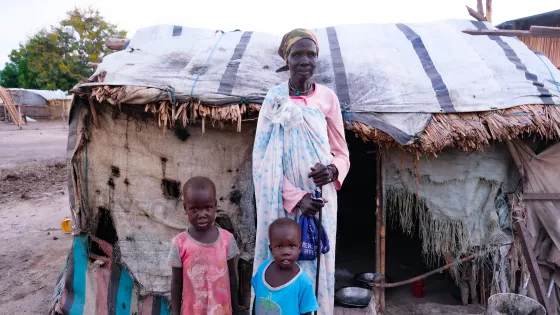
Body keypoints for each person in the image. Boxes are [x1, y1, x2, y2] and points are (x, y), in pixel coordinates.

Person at [252, 29, 350, 314]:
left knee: (317, 263)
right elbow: (263, 160)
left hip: (321, 201)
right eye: (297, 54)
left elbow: (342, 153)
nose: (305, 60)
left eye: (311, 54)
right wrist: (296, 197)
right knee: (284, 256)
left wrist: (333, 170)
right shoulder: (274, 98)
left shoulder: (328, 98)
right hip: (282, 200)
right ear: (287, 58)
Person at [167, 176, 239, 315]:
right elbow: (176, 283)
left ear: (215, 206)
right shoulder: (180, 243)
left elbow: (232, 276)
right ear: (185, 208)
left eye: (207, 207)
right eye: (194, 209)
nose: (202, 214)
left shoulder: (227, 239)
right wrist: (175, 312)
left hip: (222, 310)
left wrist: (235, 309)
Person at [252, 218, 318, 315]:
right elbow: (257, 298)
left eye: (291, 246)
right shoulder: (262, 270)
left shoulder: (303, 282)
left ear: (299, 248)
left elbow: (307, 312)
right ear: (271, 249)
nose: (286, 252)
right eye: (279, 246)